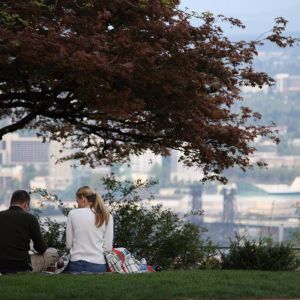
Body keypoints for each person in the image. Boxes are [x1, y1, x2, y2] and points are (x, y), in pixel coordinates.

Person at [0, 190, 58, 274]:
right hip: (22, 266)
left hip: (2, 265)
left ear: (11, 202)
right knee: (53, 252)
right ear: (25, 204)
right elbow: (41, 249)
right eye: (28, 207)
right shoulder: (30, 218)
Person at [65, 186, 113, 273]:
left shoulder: (72, 214)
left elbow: (68, 245)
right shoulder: (106, 215)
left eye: (77, 200)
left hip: (75, 265)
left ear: (83, 198)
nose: (76, 202)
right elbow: (108, 248)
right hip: (98, 265)